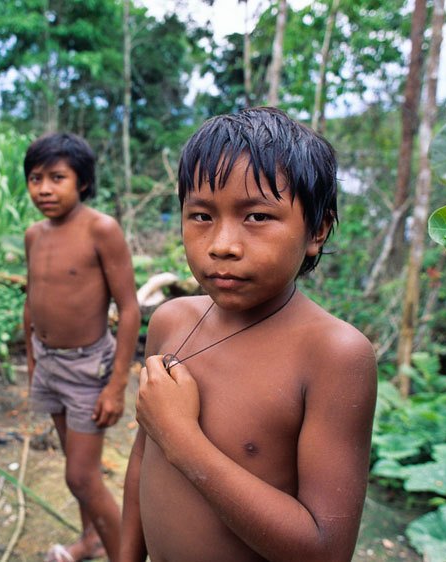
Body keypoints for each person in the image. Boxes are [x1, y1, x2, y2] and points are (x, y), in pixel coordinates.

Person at [120, 107, 377, 562]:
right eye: (201, 215)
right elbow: (143, 462)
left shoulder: (334, 355)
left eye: (257, 216)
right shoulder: (170, 321)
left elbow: (325, 549)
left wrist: (181, 439)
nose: (222, 244)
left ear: (317, 229)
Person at [23, 132, 141, 562]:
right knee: (75, 466)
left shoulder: (101, 229)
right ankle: (89, 539)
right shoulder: (34, 235)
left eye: (57, 177)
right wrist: (34, 359)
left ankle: (122, 555)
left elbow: (129, 309)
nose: (45, 189)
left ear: (83, 183)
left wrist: (116, 384)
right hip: (49, 363)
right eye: (35, 178)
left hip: (89, 367)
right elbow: (31, 297)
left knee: (82, 475)